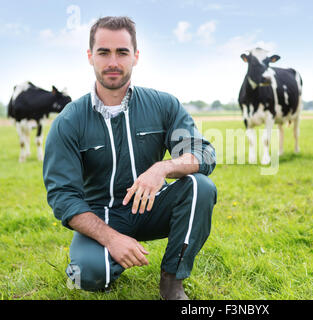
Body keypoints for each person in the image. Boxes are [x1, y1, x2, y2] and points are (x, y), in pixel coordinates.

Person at [43, 16, 217, 300]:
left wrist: (163, 167)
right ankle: (101, 259)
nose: (113, 61)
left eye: (122, 52)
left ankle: (172, 280)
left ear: (135, 57)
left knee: (201, 187)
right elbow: (62, 196)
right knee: (83, 277)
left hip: (152, 206)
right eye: (103, 52)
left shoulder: (163, 104)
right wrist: (111, 238)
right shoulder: (69, 121)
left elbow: (205, 153)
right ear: (90, 57)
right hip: (102, 215)